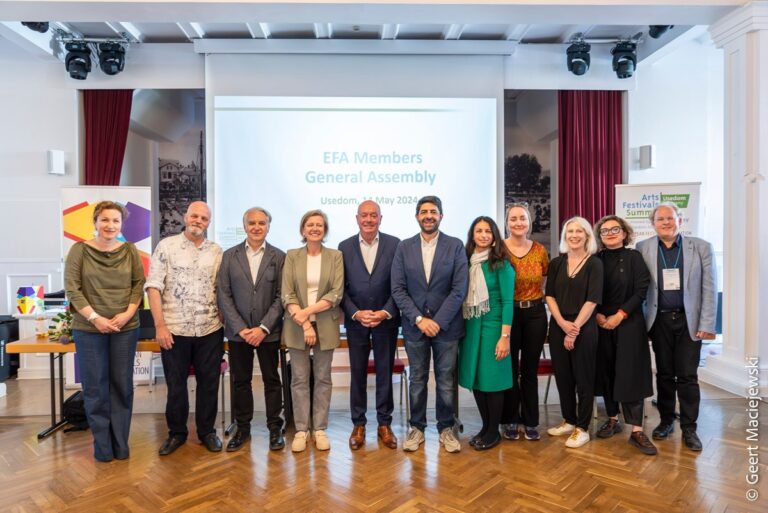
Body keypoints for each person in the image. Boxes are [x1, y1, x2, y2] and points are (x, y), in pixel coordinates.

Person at [64, 201, 145, 462]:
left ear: (122, 224)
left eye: (116, 221)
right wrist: (96, 318)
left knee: (122, 386)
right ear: (95, 222)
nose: (110, 225)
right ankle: (103, 447)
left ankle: (121, 445)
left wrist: (128, 314)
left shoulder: (130, 250)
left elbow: (138, 285)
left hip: (125, 328)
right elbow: (72, 288)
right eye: (105, 220)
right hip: (89, 329)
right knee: (95, 388)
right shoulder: (79, 250)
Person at [145, 201, 224, 456]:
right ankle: (177, 433)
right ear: (185, 217)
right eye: (194, 216)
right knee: (176, 385)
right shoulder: (166, 247)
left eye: (204, 218)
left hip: (210, 329)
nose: (198, 220)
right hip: (174, 330)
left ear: (208, 222)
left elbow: (221, 289)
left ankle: (207, 432)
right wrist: (160, 326)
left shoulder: (217, 251)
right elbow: (153, 288)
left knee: (209, 384)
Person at [637, 202, 717, 452]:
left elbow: (709, 288)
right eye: (660, 219)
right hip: (659, 320)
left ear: (679, 221)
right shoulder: (643, 248)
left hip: (689, 322)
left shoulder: (701, 247)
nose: (666, 223)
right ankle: (666, 421)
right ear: (653, 224)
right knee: (663, 374)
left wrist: (706, 323)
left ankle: (690, 428)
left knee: (688, 376)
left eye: (670, 218)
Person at [391, 195, 468, 453]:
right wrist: (420, 319)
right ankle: (417, 429)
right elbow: (398, 289)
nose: (428, 216)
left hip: (447, 327)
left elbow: (459, 289)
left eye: (433, 211)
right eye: (424, 212)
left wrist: (437, 321)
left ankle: (446, 429)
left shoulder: (455, 246)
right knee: (417, 379)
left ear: (441, 216)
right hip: (415, 327)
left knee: (445, 381)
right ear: (417, 216)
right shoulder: (404, 247)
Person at [217, 207, 286, 452]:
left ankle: (275, 428)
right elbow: (223, 295)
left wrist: (263, 328)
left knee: (272, 380)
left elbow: (282, 296)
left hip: (268, 332)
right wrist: (242, 329)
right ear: (244, 225)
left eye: (262, 223)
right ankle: (242, 429)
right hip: (240, 335)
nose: (257, 227)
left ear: (268, 226)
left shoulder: (279, 256)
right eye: (252, 223)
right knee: (241, 382)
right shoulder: (229, 256)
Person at [338, 201, 401, 450]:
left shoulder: (395, 244)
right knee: (358, 374)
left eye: (373, 215)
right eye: (364, 215)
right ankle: (359, 424)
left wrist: (385, 312)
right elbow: (340, 288)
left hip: (385, 321)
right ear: (357, 218)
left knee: (385, 373)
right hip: (357, 323)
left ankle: (384, 424)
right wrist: (355, 313)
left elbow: (399, 285)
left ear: (380, 219)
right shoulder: (344, 247)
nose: (368, 219)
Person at [593, 215, 657, 455]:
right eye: (605, 231)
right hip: (601, 324)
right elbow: (589, 291)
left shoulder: (634, 257)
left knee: (632, 374)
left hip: (629, 323)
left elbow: (641, 289)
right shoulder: (595, 260)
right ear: (600, 236)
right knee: (607, 371)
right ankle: (612, 418)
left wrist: (620, 315)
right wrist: (599, 315)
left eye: (615, 229)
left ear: (624, 233)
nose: (610, 233)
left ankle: (637, 431)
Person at [282, 209, 344, 452]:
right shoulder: (292, 256)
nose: (315, 228)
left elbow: (336, 293)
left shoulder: (335, 256)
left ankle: (319, 429)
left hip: (325, 324)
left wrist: (307, 312)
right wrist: (306, 323)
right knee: (298, 379)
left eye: (319, 225)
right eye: (310, 225)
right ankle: (301, 430)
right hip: (297, 325)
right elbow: (287, 293)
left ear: (325, 230)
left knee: (323, 378)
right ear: (303, 229)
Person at [545, 216, 603, 448]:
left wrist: (573, 330)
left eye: (579, 231)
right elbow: (549, 296)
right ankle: (569, 420)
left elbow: (592, 300)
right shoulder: (556, 263)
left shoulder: (594, 264)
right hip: (559, 326)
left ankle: (582, 427)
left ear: (587, 236)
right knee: (563, 377)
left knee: (583, 378)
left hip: (584, 327)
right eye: (570, 231)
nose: (574, 235)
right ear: (564, 236)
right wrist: (561, 323)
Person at [458, 216, 515, 451]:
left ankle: (493, 432)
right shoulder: (466, 262)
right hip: (471, 327)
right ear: (472, 235)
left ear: (494, 237)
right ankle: (485, 427)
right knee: (477, 380)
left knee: (493, 381)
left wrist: (505, 337)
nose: (483, 235)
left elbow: (508, 302)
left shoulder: (501, 264)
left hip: (493, 328)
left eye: (488, 231)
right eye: (479, 231)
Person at [500, 202, 549, 442]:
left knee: (529, 370)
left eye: (523, 218)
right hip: (508, 316)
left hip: (535, 315)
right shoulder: (499, 250)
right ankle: (510, 419)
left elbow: (545, 279)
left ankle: (530, 421)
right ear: (507, 223)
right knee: (509, 370)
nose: (518, 222)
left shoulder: (540, 250)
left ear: (529, 222)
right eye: (513, 219)